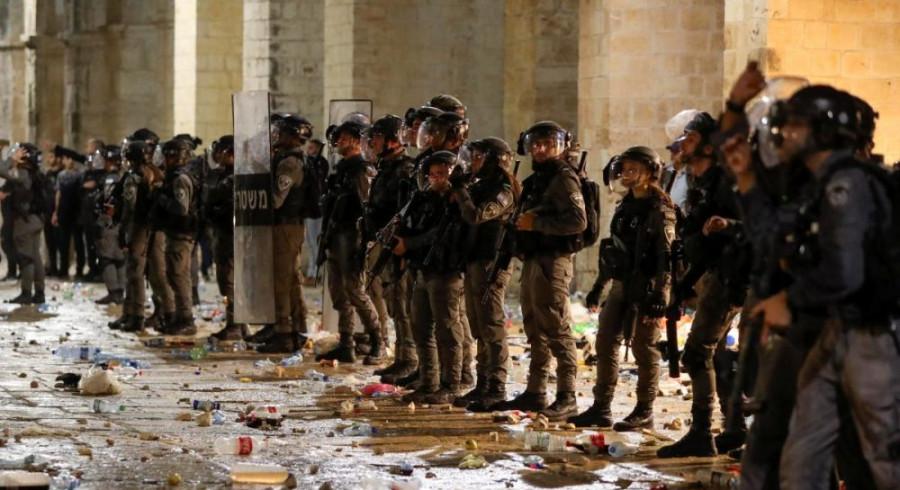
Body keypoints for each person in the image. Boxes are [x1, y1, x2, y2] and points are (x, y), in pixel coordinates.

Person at [747, 85, 900, 490]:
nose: (785, 133)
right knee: (804, 451)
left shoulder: (846, 184)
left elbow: (845, 273)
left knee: (887, 456)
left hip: (872, 336)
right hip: (837, 328)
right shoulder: (820, 183)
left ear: (826, 132)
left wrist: (789, 300)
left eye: (797, 126)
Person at [657, 112, 744, 458]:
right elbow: (699, 241)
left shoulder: (727, 182)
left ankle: (701, 432)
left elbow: (753, 228)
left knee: (697, 353)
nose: (682, 143)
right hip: (713, 274)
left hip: (730, 277)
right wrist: (684, 285)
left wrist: (727, 226)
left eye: (690, 138)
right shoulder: (702, 181)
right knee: (716, 355)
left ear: (709, 146)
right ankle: (733, 428)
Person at [571, 147, 676, 430]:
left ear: (650, 173)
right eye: (624, 170)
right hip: (621, 285)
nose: (626, 175)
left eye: (633, 170)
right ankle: (601, 407)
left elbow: (666, 257)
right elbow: (613, 251)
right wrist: (598, 287)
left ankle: (644, 410)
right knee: (605, 342)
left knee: (644, 347)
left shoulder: (660, 211)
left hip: (648, 286)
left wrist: (661, 295)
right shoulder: (624, 207)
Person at [492, 121, 586, 421]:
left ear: (561, 147)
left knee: (557, 328)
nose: (541, 149)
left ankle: (567, 396)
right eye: (537, 144)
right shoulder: (538, 180)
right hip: (534, 259)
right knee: (535, 327)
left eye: (549, 144)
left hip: (553, 261)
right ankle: (536, 391)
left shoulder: (563, 178)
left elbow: (578, 221)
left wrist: (537, 224)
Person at [450, 137, 520, 411]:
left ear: (494, 160)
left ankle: (497, 386)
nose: (473, 162)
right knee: (478, 324)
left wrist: (460, 190)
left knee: (492, 325)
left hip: (491, 262)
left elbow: (476, 215)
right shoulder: (481, 185)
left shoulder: (504, 190)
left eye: (479, 157)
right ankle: (483, 383)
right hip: (474, 260)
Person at [394, 151, 469, 404]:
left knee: (447, 331)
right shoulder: (426, 200)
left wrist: (410, 244)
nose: (437, 179)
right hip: (424, 270)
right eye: (433, 175)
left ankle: (451, 385)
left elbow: (442, 234)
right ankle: (429, 382)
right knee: (421, 327)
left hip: (446, 272)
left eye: (442, 174)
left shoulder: (459, 201)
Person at [316, 120, 384, 363]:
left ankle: (377, 340)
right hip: (335, 236)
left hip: (352, 236)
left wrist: (363, 243)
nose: (339, 142)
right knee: (338, 294)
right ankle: (347, 343)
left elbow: (367, 208)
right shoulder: (342, 170)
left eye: (344, 138)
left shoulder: (361, 170)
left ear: (356, 141)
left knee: (355, 291)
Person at [360, 115, 418, 382]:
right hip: (384, 243)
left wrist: (403, 246)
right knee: (395, 303)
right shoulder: (386, 169)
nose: (373, 143)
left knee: (403, 305)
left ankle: (410, 359)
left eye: (378, 138)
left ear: (393, 140)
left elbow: (407, 213)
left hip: (399, 248)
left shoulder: (405, 170)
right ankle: (401, 358)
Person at [254, 114, 312, 353]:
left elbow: (276, 199)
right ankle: (296, 328)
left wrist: (257, 181)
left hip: (285, 227)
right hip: (286, 227)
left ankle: (285, 332)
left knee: (281, 281)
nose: (275, 136)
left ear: (292, 136)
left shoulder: (289, 164)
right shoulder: (286, 159)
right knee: (290, 279)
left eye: (281, 132)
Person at [113, 129, 167, 333]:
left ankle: (136, 316)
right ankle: (164, 313)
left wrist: (122, 231)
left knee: (135, 272)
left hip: (139, 229)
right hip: (155, 229)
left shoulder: (134, 177)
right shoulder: (157, 173)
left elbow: (130, 207)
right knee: (155, 273)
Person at [152, 139, 201, 335]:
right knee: (173, 275)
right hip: (175, 232)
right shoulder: (173, 176)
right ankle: (179, 318)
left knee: (179, 277)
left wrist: (160, 197)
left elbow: (181, 209)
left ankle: (186, 320)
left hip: (182, 233)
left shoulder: (181, 179)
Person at [205, 135, 245, 341]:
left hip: (230, 234)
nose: (217, 156)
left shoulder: (236, 176)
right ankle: (240, 324)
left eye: (221, 152)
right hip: (225, 232)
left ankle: (234, 325)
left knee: (229, 281)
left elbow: (214, 196)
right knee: (228, 281)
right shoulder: (226, 174)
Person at [0, 143, 47, 304]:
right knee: (36, 257)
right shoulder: (37, 173)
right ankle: (39, 292)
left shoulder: (23, 174)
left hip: (25, 222)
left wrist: (11, 160)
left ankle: (26, 293)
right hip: (36, 220)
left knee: (26, 259)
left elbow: (1, 170)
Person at [92, 145, 126, 305]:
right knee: (119, 258)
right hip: (119, 223)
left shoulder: (110, 179)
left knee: (107, 258)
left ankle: (113, 292)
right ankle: (120, 292)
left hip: (109, 222)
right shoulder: (121, 176)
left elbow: (108, 201)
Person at [52, 146, 87, 278]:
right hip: (63, 212)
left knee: (78, 243)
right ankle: (63, 270)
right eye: (67, 159)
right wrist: (56, 212)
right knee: (63, 243)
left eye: (71, 159)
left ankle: (79, 270)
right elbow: (58, 193)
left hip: (76, 212)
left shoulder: (80, 174)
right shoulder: (61, 175)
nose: (70, 161)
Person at [303, 138, 328, 284]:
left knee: (316, 243)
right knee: (310, 243)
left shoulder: (320, 163)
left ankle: (316, 273)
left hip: (316, 210)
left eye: (312, 148)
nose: (309, 150)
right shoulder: (309, 163)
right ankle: (312, 272)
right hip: (309, 209)